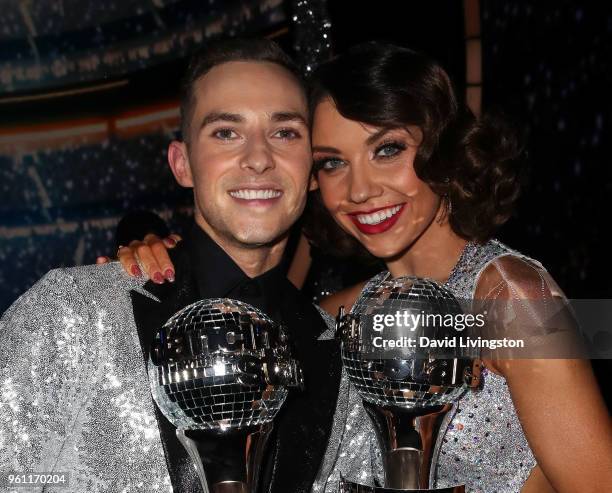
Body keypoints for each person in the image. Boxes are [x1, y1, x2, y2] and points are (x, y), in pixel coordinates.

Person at [120, 42, 612, 492]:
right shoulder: (342, 314)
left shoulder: (510, 300)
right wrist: (157, 251)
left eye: (388, 149)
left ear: (439, 143)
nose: (359, 190)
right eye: (333, 163)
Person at [0, 38, 341, 493]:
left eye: (285, 133)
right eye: (226, 132)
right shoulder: (75, 310)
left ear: (311, 168)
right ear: (182, 164)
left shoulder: (333, 352)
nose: (259, 158)